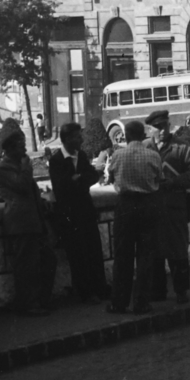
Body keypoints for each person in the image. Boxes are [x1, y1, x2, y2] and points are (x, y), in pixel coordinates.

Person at [0, 121, 55, 316]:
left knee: (46, 260)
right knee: (26, 265)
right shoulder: (5, 168)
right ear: (11, 149)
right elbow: (21, 185)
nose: (25, 149)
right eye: (21, 145)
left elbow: (29, 190)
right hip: (20, 222)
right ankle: (28, 304)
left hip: (34, 221)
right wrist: (27, 167)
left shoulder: (18, 165)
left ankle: (42, 300)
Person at [106, 120, 163, 314]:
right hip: (148, 204)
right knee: (146, 255)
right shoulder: (153, 156)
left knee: (123, 254)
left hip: (125, 205)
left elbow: (111, 178)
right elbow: (159, 179)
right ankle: (141, 302)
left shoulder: (117, 155)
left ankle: (119, 302)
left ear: (126, 136)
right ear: (142, 135)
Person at [48, 121, 108, 302]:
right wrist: (77, 181)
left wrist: (77, 178)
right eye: (77, 137)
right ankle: (85, 292)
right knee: (78, 255)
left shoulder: (81, 156)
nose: (81, 140)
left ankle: (100, 288)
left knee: (94, 250)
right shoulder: (56, 160)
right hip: (69, 215)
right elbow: (60, 188)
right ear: (67, 139)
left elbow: (92, 176)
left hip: (86, 211)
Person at [145, 109, 190, 305]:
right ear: (149, 129)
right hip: (152, 207)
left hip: (175, 206)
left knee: (178, 250)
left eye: (164, 126)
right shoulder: (145, 148)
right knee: (154, 250)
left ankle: (181, 290)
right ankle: (158, 290)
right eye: (157, 127)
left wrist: (174, 182)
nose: (162, 131)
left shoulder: (182, 147)